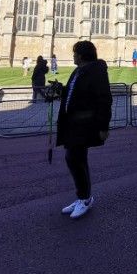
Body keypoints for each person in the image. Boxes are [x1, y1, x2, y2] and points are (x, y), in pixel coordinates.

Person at [57, 40, 112, 220]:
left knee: (74, 158)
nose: (73, 56)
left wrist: (103, 127)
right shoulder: (79, 70)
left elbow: (104, 100)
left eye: (74, 53)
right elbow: (73, 91)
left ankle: (85, 198)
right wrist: (59, 90)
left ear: (81, 55)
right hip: (73, 123)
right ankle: (83, 197)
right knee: (76, 158)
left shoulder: (96, 71)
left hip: (85, 123)